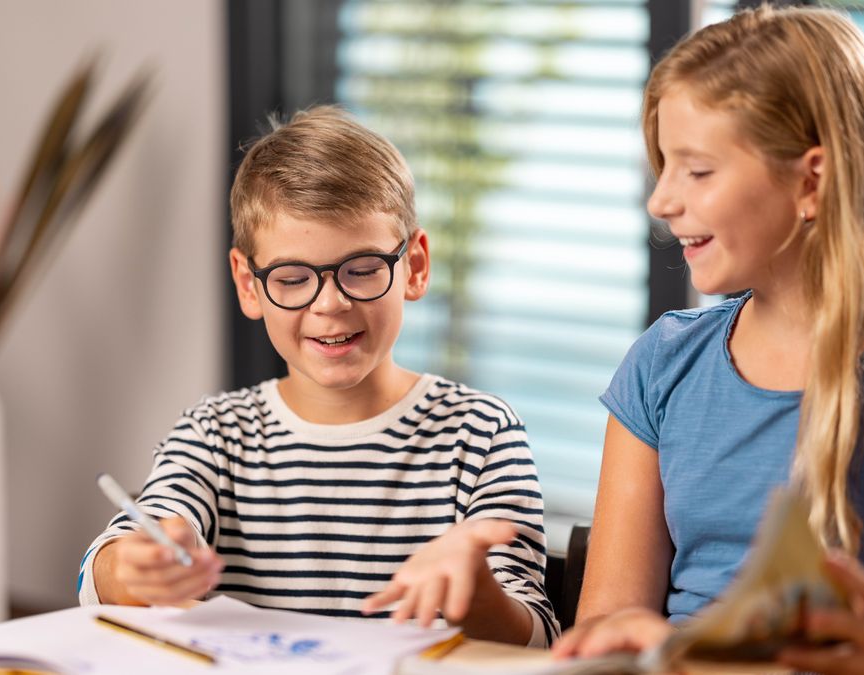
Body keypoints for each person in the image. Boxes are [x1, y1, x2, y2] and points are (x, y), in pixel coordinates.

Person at [550, 5, 864, 674]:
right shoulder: (661, 365)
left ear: (811, 180)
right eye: (663, 167)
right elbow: (603, 631)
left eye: (696, 170)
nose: (660, 201)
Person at [77, 105, 557, 647]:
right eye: (292, 277)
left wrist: (478, 596)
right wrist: (134, 567)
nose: (330, 304)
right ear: (249, 284)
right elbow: (105, 572)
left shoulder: (480, 432)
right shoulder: (214, 435)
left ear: (415, 267)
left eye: (362, 269)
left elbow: (536, 639)